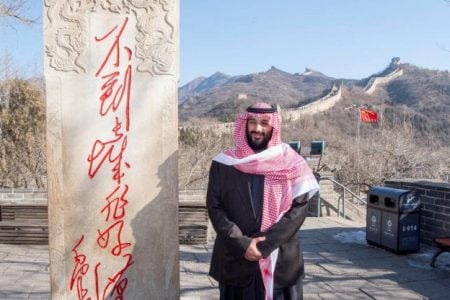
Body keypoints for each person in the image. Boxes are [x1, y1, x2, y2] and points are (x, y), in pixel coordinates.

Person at [206, 102, 320, 300]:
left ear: (273, 127)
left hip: (281, 264)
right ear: (245, 124)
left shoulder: (292, 163)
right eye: (253, 122)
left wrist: (263, 246)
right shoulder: (224, 163)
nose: (257, 128)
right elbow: (215, 207)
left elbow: (298, 209)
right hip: (235, 262)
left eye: (264, 123)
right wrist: (242, 244)